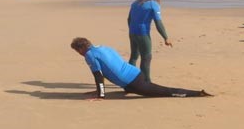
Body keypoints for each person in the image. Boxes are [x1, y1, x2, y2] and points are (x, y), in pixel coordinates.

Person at [70, 37, 210, 100]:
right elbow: (111, 66)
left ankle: (198, 93)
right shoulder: (103, 47)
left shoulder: (89, 55)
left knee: (164, 92)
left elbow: (98, 75)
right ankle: (127, 88)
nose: (80, 54)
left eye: (78, 51)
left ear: (81, 48)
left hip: (133, 82)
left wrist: (101, 95)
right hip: (134, 75)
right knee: (144, 88)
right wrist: (98, 90)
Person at [127, 0, 172, 82]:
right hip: (142, 34)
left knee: (134, 57)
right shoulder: (153, 4)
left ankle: (128, 79)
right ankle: (146, 81)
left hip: (132, 33)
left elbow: (129, 19)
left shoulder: (136, 2)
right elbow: (158, 23)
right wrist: (166, 37)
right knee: (146, 57)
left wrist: (132, 31)